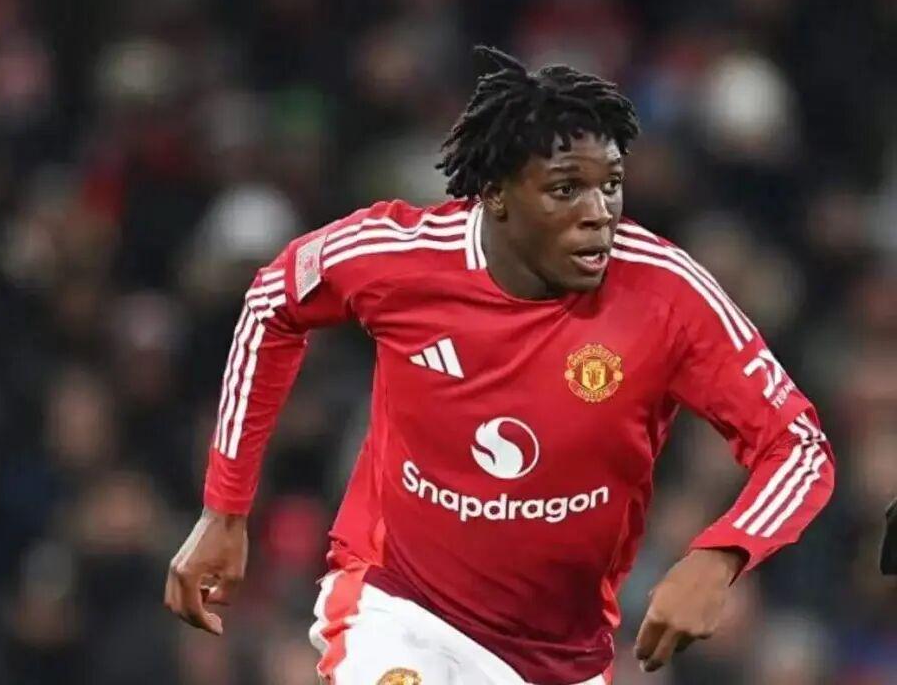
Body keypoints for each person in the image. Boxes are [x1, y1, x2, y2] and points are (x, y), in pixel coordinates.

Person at [162, 46, 835, 685]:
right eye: (566, 188)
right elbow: (273, 301)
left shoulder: (665, 294)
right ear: (498, 194)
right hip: (400, 608)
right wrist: (225, 509)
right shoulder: (400, 260)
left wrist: (721, 556)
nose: (598, 214)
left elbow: (798, 446)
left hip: (560, 657)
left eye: (611, 185)